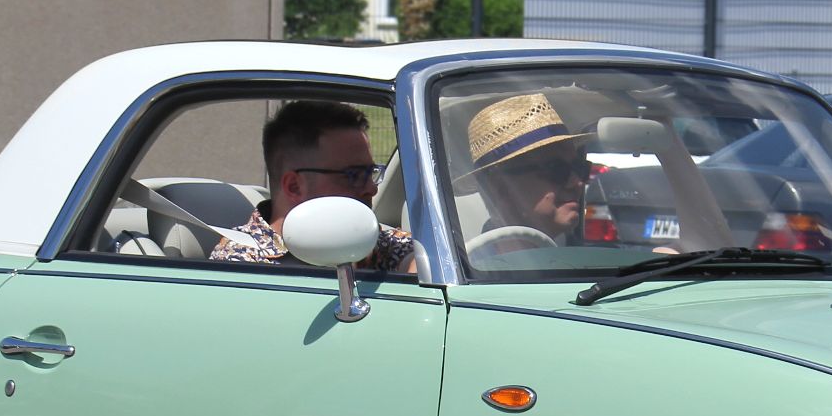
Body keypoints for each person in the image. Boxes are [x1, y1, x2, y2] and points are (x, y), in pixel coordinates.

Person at [212, 100, 414, 271]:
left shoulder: (373, 241)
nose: (372, 188)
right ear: (294, 187)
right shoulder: (239, 265)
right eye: (354, 175)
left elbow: (425, 260)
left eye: (370, 173)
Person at [462, 92, 593, 243]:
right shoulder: (462, 264)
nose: (577, 182)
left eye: (579, 167)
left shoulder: (590, 262)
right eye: (556, 169)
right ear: (500, 188)